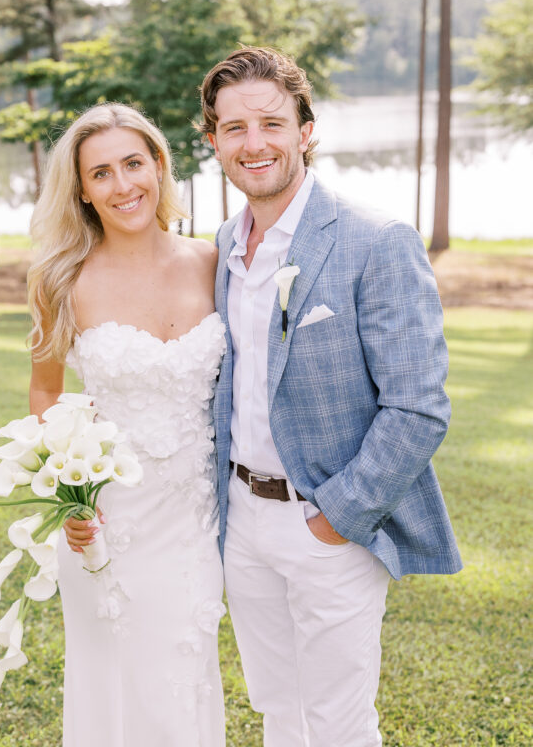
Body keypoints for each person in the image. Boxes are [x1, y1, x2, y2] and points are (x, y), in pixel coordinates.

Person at [198, 46, 462, 747]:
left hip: (327, 523)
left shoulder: (376, 240)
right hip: (242, 520)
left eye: (271, 123)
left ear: (305, 130)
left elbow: (417, 406)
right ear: (214, 141)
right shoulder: (224, 245)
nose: (254, 143)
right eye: (234, 128)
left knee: (339, 725)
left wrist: (336, 518)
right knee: (277, 712)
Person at [27, 103, 227, 747]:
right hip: (107, 522)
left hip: (194, 522)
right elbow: (46, 390)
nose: (122, 185)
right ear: (83, 191)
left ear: (160, 164)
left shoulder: (215, 263)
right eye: (101, 173)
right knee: (113, 687)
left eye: (133, 164)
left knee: (182, 685)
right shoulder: (61, 280)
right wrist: (70, 499)